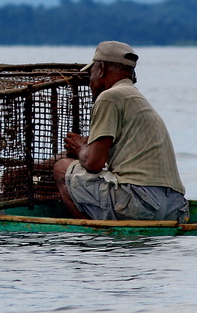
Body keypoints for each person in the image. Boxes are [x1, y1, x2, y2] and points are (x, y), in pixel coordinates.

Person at [53, 41, 189, 222]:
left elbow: (94, 163)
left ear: (101, 69)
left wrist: (79, 148)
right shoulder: (136, 98)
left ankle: (92, 232)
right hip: (175, 207)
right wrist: (85, 148)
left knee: (61, 169)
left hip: (141, 204)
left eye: (91, 73)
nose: (90, 82)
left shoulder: (109, 97)